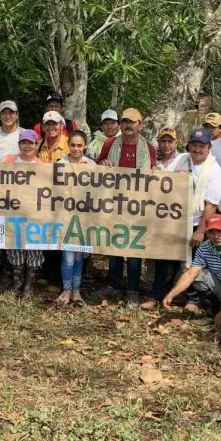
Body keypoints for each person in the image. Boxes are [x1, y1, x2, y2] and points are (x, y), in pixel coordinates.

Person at [146, 128, 221, 309]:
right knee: (166, 258)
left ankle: (194, 300)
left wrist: (200, 231)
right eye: (194, 145)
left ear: (208, 147)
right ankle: (157, 295)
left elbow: (211, 205)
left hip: (197, 222)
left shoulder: (214, 171)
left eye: (201, 146)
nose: (197, 149)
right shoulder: (181, 160)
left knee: (196, 263)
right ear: (188, 145)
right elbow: (166, 181)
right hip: (175, 219)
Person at [95, 108, 157, 308]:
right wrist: (103, 163)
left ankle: (132, 289)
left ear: (140, 125)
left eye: (132, 122)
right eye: (125, 122)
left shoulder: (148, 148)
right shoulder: (110, 144)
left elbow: (154, 176)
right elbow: (96, 168)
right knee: (114, 245)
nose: (128, 126)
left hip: (137, 206)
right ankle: (113, 284)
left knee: (133, 248)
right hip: (113, 204)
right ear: (120, 125)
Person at [162, 215, 221, 320]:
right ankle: (211, 314)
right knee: (199, 276)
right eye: (211, 232)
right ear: (206, 233)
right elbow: (190, 274)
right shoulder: (205, 247)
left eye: (220, 231)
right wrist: (171, 295)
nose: (216, 236)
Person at [54, 131, 94, 307]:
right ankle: (66, 289)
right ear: (68, 145)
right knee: (68, 256)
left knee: (79, 257)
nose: (76, 149)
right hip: (65, 217)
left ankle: (76, 290)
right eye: (73, 145)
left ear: (85, 146)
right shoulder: (61, 164)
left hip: (84, 218)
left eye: (80, 145)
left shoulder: (91, 164)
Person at [5, 130, 44, 295]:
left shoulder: (42, 166)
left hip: (35, 214)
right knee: (15, 246)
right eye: (24, 142)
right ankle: (17, 282)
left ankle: (29, 285)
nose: (27, 146)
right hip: (14, 213)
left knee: (34, 248)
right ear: (19, 144)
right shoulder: (9, 161)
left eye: (30, 143)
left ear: (36, 145)